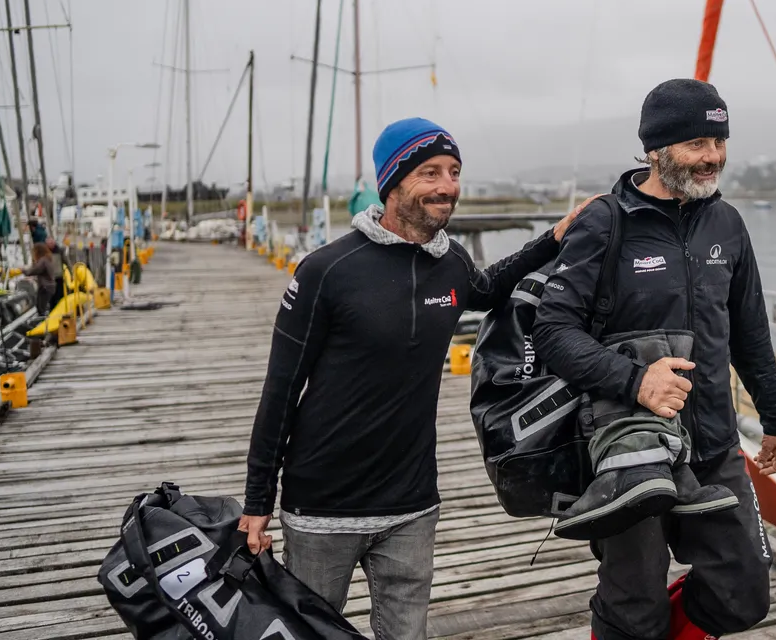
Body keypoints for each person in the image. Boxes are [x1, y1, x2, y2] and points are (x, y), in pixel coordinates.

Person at [239, 117, 592, 640]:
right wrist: (256, 502)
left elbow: (491, 288)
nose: (447, 186)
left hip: (412, 504)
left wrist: (555, 237)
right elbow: (280, 389)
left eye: (453, 172)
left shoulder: (450, 260)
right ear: (393, 183)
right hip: (322, 508)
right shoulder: (325, 270)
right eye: (430, 173)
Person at [532, 79, 776, 640]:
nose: (714, 157)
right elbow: (552, 330)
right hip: (630, 446)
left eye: (720, 141)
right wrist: (635, 379)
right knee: (633, 606)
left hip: (714, 442)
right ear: (656, 149)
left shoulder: (727, 224)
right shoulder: (607, 222)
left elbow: (749, 335)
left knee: (743, 590)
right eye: (698, 144)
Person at [24, 242, 59, 316]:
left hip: (45, 287)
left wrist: (23, 271)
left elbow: (35, 270)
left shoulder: (43, 260)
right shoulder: (48, 259)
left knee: (41, 308)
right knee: (45, 306)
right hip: (51, 286)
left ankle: (45, 324)